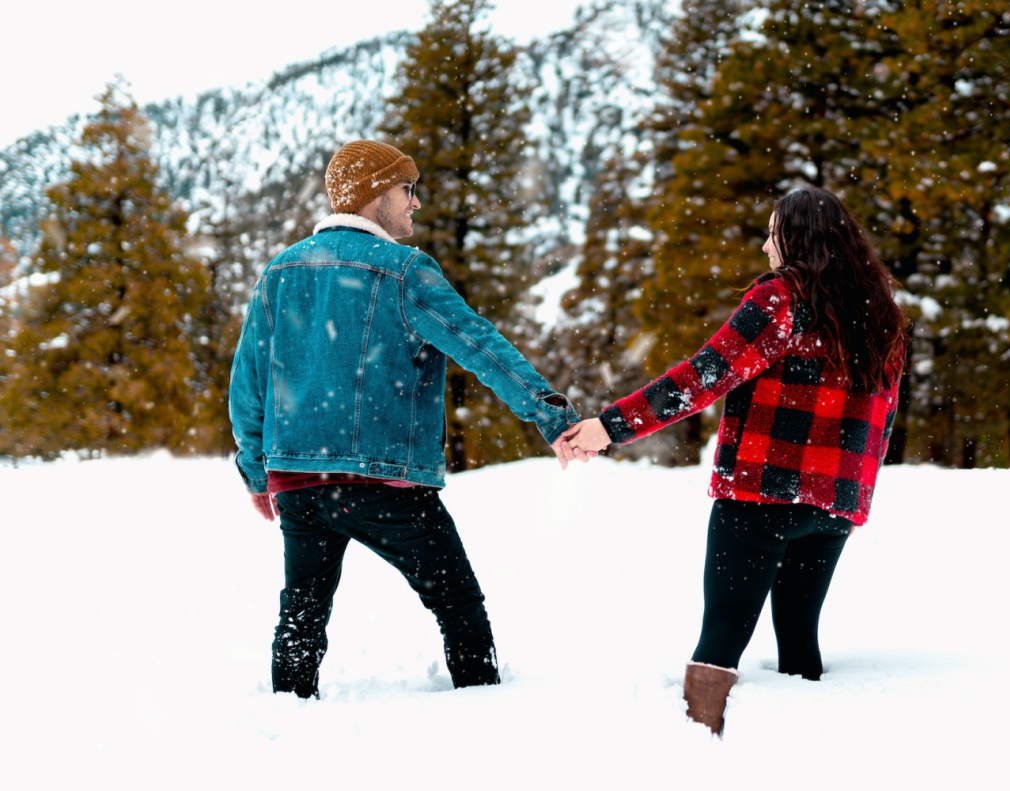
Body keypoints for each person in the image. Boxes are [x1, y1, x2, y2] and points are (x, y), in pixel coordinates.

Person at [229, 139, 588, 699]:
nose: (415, 202)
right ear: (375, 194)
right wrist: (550, 416)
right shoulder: (404, 272)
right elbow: (481, 347)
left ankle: (287, 717)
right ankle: (486, 705)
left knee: (301, 614)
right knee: (457, 603)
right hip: (387, 481)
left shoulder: (280, 271)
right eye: (407, 189)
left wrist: (258, 474)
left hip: (300, 482)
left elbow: (247, 386)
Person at [562, 186, 907, 736]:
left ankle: (697, 747)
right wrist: (851, 494)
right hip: (834, 508)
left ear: (797, 238)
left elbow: (704, 376)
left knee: (720, 640)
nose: (766, 246)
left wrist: (611, 426)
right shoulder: (880, 310)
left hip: (762, 495)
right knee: (799, 641)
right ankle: (806, 749)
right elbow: (882, 419)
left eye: (774, 233)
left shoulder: (783, 298)